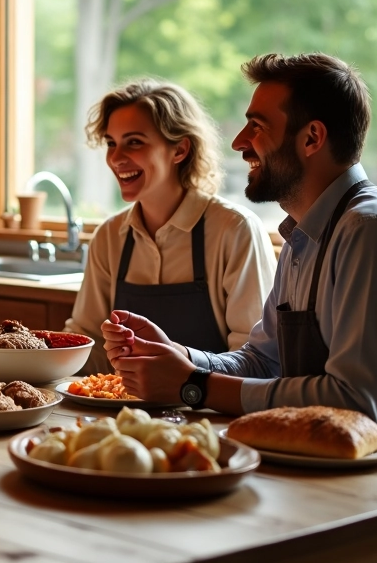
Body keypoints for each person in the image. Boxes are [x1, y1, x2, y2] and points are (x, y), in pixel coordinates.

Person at [105, 52, 377, 563]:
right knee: (141, 555)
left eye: (258, 125)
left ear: (311, 138)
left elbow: (357, 407)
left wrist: (194, 388)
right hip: (326, 492)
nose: (238, 144)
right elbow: (261, 360)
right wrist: (181, 359)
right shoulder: (306, 234)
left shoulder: (373, 232)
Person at [64, 78, 275, 374]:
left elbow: (255, 360)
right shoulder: (109, 236)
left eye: (134, 142)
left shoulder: (235, 230)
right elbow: (92, 346)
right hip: (125, 414)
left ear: (180, 150)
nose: (116, 157)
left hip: (210, 414)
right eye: (111, 143)